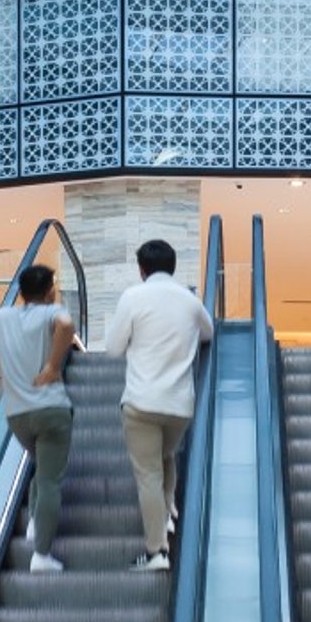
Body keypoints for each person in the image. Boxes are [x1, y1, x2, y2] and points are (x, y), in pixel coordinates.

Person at [103, 238, 213, 571]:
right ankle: (165, 518)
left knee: (148, 473)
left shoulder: (133, 297)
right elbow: (208, 333)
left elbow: (113, 348)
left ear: (142, 269)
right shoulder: (190, 302)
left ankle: (156, 553)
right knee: (165, 457)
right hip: (179, 405)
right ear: (173, 266)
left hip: (141, 402)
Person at [0, 264, 76, 574]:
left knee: (41, 467)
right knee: (50, 480)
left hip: (17, 415)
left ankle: (33, 527)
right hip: (51, 409)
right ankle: (41, 555)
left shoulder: (2, 318)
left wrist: (0, 343)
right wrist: (53, 367)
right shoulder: (51, 312)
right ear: (50, 291)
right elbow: (67, 324)